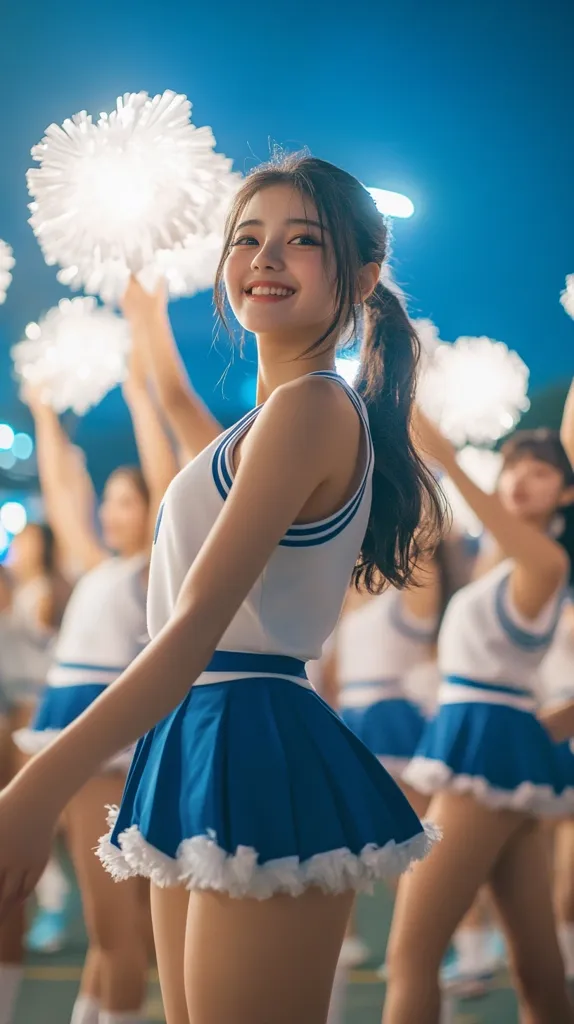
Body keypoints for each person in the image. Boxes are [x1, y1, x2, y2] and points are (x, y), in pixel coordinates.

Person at [0, 153, 443, 1024]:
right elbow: (164, 389)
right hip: (196, 736)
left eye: (301, 240)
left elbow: (196, 624)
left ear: (363, 273)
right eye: (247, 238)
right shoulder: (260, 422)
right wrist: (136, 281)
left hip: (252, 737)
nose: (265, 257)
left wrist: (36, 785)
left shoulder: (312, 408)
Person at [383, 410, 574, 1024]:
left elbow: (484, 501)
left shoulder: (546, 564)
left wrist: (446, 451)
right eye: (514, 463)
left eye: (542, 471)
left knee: (411, 955)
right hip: (491, 747)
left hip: (484, 753)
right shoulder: (495, 558)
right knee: (537, 968)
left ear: (567, 493)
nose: (520, 477)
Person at [14, 331, 178, 1024]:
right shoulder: (97, 564)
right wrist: (44, 413)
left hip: (103, 741)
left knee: (115, 925)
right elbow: (58, 485)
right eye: (107, 501)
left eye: (126, 501)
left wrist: (142, 390)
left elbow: (170, 481)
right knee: (117, 921)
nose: (111, 512)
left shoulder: (153, 571)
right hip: (79, 731)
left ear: (151, 513)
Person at [0, 522, 70, 1023]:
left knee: (38, 821)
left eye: (26, 541)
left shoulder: (42, 593)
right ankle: (52, 896)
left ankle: (54, 898)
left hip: (33, 712)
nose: (18, 549)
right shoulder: (24, 591)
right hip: (21, 711)